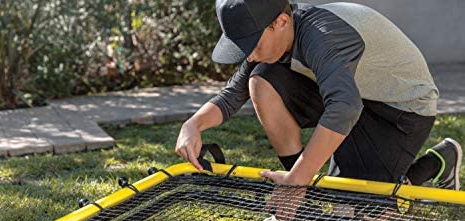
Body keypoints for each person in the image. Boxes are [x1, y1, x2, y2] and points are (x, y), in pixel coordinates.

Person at [175, 0, 462, 196]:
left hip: (401, 111)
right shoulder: (273, 39)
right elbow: (230, 96)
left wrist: (299, 178)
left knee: (360, 207)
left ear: (282, 21)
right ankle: (302, 187)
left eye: (251, 44)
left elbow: (345, 106)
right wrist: (193, 125)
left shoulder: (321, 36)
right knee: (260, 79)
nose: (248, 54)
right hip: (357, 96)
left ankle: (440, 160)